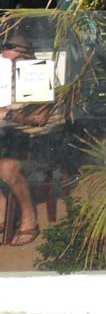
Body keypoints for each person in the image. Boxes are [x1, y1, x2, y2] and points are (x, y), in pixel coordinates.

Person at [0, 36, 40, 246]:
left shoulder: (39, 77)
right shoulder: (4, 78)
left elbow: (39, 120)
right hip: (6, 140)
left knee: (7, 168)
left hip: (38, 144)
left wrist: (7, 114)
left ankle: (28, 217)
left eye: (14, 63)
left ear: (29, 55)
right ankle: (3, 205)